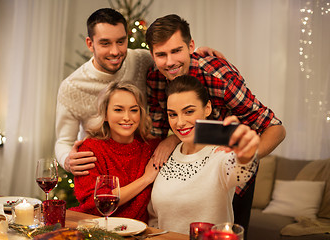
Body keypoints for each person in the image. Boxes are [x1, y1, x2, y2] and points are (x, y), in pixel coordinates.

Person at [145, 14, 286, 238]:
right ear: (151, 55)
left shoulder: (219, 76)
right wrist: (171, 138)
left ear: (191, 46)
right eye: (161, 55)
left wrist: (248, 154)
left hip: (229, 164)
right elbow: (160, 129)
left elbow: (276, 128)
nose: (169, 62)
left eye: (176, 51)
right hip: (186, 164)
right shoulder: (154, 77)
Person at [55, 8, 223, 176]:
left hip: (144, 158)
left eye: (121, 41)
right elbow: (63, 141)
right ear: (90, 44)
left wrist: (199, 54)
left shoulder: (141, 59)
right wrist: (66, 160)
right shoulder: (71, 87)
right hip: (101, 166)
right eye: (105, 43)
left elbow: (170, 56)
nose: (115, 52)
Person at [147, 75, 260, 234]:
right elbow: (155, 218)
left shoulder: (221, 156)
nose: (179, 122)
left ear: (207, 108)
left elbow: (242, 171)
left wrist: (246, 152)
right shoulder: (166, 154)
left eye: (189, 112)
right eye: (173, 114)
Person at [72, 81, 161, 222]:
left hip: (138, 232)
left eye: (133, 110)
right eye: (118, 110)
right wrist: (145, 179)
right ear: (105, 114)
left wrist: (171, 140)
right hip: (96, 229)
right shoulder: (90, 149)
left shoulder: (150, 147)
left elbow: (181, 139)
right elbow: (94, 204)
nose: (127, 117)